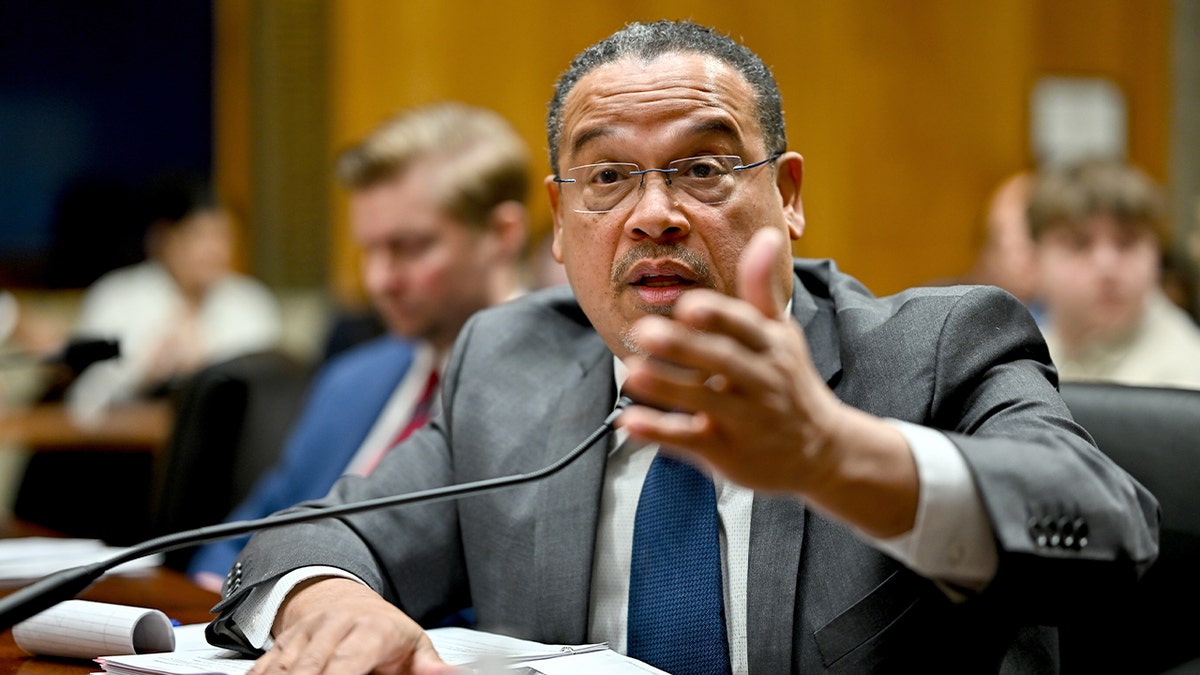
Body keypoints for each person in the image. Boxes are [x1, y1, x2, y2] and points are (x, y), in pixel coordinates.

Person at [206, 21, 1158, 674]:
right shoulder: (511, 363)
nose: (653, 215)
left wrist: (836, 453)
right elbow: (316, 531)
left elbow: (1111, 532)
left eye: (702, 169)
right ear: (558, 218)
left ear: (786, 196)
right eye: (608, 176)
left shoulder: (935, 346)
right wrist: (325, 599)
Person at [186, 102, 531, 590]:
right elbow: (233, 542)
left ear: (502, 234)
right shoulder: (350, 380)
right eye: (369, 250)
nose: (378, 280)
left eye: (409, 247)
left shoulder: (562, 391)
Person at [63, 172, 283, 424]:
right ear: (162, 238)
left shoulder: (251, 303)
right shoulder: (116, 298)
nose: (214, 250)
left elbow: (270, 396)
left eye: (224, 236)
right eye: (198, 236)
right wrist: (146, 375)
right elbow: (83, 402)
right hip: (126, 454)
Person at [1028, 157, 1200, 389]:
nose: (1107, 267)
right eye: (1079, 244)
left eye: (1127, 243)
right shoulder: (1020, 354)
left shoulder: (1186, 377)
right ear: (1036, 257)